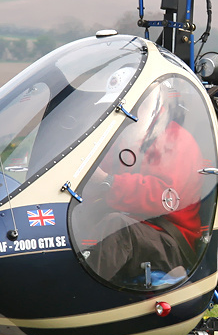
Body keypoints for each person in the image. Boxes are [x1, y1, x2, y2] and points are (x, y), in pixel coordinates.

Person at [83, 81, 207, 287]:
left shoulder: (175, 141)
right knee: (75, 217)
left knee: (118, 227)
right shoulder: (128, 136)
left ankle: (78, 295)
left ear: (152, 103)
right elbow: (95, 179)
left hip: (171, 239)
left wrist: (108, 182)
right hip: (140, 227)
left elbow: (164, 196)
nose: (121, 111)